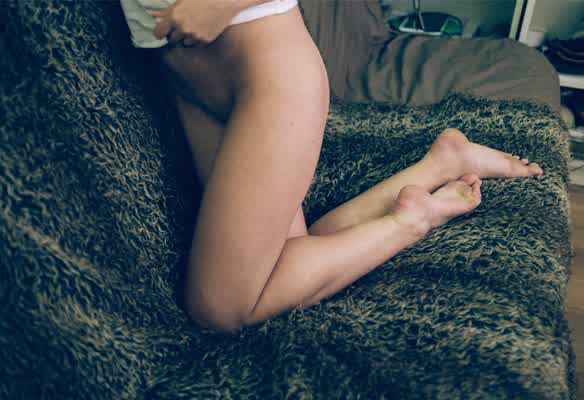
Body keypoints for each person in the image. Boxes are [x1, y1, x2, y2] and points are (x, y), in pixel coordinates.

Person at [119, 0, 544, 334]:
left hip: (267, 78)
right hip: (192, 81)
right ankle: (442, 163)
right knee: (286, 263)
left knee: (220, 309)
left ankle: (410, 221)